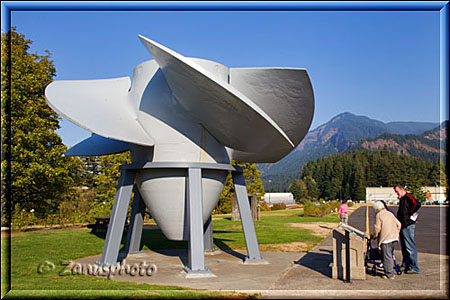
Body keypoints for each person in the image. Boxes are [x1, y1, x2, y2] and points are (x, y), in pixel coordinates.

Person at [394, 184, 421, 274]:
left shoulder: (408, 197)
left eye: (397, 191)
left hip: (408, 224)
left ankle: (414, 266)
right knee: (404, 246)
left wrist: (410, 214)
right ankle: (406, 263)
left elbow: (417, 204)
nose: (396, 193)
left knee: (410, 246)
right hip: (402, 224)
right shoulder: (402, 199)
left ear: (402, 190)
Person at [372, 201, 402, 280]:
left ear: (377, 209)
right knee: (390, 255)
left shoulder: (379, 215)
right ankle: (390, 271)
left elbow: (377, 228)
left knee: (386, 256)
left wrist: (375, 235)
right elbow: (399, 224)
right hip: (394, 237)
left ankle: (389, 274)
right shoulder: (390, 213)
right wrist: (396, 232)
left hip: (386, 238)